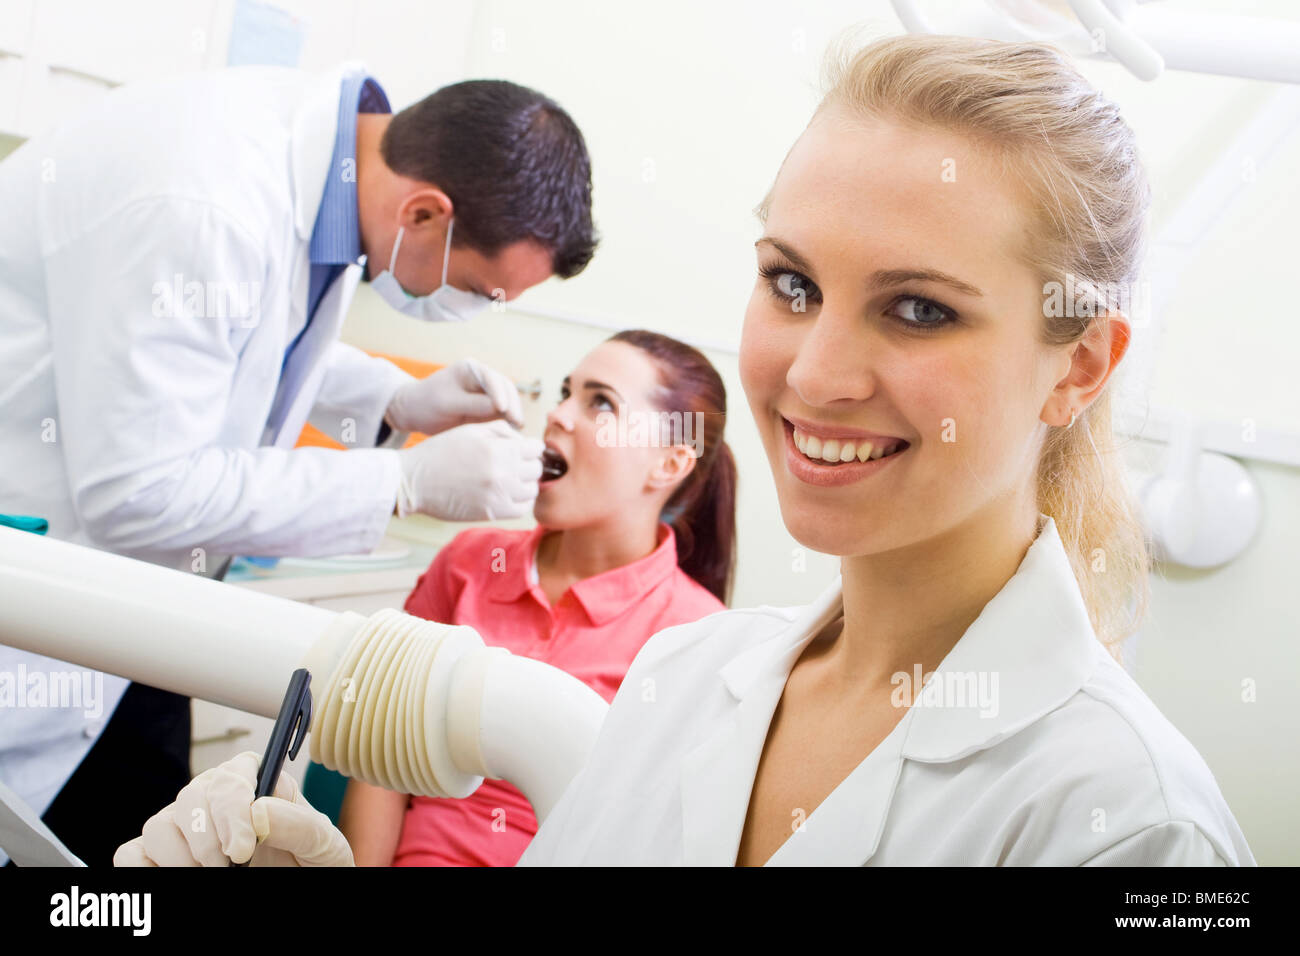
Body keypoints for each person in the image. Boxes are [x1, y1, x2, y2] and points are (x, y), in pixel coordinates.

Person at [115, 34, 1255, 867]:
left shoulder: (1133, 824)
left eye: (917, 309)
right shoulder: (683, 687)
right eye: (792, 282)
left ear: (1079, 366)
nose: (813, 374)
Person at [0, 63, 595, 866]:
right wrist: (405, 482)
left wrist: (396, 400)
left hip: (134, 603)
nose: (474, 311)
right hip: (52, 582)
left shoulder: (331, 180)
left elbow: (239, 345)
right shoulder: (203, 202)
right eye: (482, 291)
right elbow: (134, 490)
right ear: (426, 213)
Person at [339, 330, 737, 865]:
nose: (558, 415)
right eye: (565, 391)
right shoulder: (469, 562)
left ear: (668, 464)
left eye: (600, 402)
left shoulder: (701, 638)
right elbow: (380, 758)